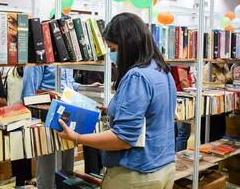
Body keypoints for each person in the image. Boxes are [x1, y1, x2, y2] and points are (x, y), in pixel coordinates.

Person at [57, 13, 177, 189]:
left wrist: (77, 137)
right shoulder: (161, 70)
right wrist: (112, 110)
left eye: (113, 49)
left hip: (136, 174)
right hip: (164, 167)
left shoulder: (137, 76)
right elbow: (151, 113)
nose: (112, 55)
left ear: (128, 45)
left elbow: (123, 139)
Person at [22, 66, 80, 189]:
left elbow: (69, 85)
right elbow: (28, 94)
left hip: (68, 115)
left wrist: (87, 88)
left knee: (66, 171)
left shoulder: (66, 59)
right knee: (47, 172)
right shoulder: (40, 57)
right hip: (46, 118)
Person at [171, 66, 193, 152]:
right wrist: (192, 94)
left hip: (175, 95)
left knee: (176, 132)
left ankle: (173, 157)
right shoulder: (182, 60)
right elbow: (183, 80)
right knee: (183, 133)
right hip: (183, 98)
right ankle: (179, 158)